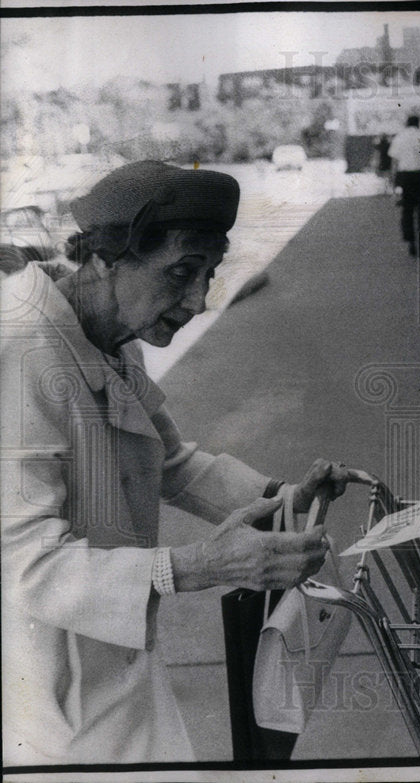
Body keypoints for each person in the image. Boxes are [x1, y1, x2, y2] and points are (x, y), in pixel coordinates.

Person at [0, 160, 351, 764]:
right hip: (45, 682)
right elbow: (24, 564)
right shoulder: (19, 351)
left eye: (210, 274)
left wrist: (285, 496)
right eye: (183, 273)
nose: (199, 300)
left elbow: (168, 461)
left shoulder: (105, 331)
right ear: (107, 257)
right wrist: (191, 567)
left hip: (110, 654)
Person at [388, 115, 420, 257]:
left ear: (406, 124)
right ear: (418, 124)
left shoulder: (399, 138)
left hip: (406, 177)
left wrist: (394, 183)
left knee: (407, 210)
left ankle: (411, 242)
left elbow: (394, 163)